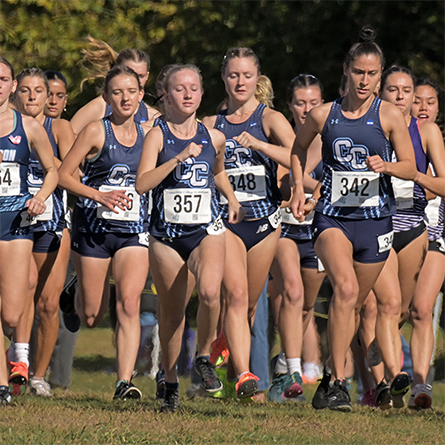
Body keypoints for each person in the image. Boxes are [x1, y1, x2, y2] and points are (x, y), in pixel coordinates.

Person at [289, 26, 417, 412]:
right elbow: (297, 150)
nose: (364, 80)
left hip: (377, 223)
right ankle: (340, 382)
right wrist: (298, 187)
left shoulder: (390, 115)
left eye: (372, 74)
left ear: (380, 76)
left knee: (356, 306)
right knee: (344, 291)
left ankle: (329, 378)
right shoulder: (325, 114)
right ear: (346, 71)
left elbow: (411, 167)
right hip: (333, 219)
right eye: (358, 72)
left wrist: (389, 166)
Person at [136, 64, 244, 412]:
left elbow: (218, 171)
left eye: (194, 88)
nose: (187, 94)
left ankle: (202, 357)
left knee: (212, 292)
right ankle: (169, 381)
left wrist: (231, 197)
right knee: (172, 315)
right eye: (179, 89)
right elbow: (142, 184)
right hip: (166, 235)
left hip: (206, 228)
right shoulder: (157, 136)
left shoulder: (214, 137)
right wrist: (178, 159)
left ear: (201, 93)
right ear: (165, 96)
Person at [202, 47, 295, 400]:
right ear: (223, 78)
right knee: (236, 296)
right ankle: (243, 375)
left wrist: (260, 145)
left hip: (265, 222)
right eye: (233, 75)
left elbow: (301, 156)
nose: (240, 82)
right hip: (227, 222)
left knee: (249, 305)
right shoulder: (211, 124)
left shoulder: (270, 119)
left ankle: (225, 356)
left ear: (257, 79)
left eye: (246, 75)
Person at [59, 65, 152, 400]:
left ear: (141, 95)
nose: (125, 98)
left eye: (131, 91)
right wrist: (99, 195)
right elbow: (65, 176)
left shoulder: (150, 131)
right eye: (117, 92)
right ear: (107, 98)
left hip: (134, 231)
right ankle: (75, 291)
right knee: (91, 315)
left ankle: (123, 382)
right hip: (94, 229)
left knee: (129, 302)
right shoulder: (96, 132)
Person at [7, 68, 75, 397]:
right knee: (21, 291)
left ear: (49, 97)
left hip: (51, 219)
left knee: (48, 303)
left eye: (39, 91)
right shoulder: (8, 126)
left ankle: (39, 374)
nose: (32, 97)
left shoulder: (58, 127)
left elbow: (70, 171)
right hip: (15, 219)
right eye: (25, 90)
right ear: (14, 93)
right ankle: (18, 359)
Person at [379, 73, 444, 409]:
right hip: (376, 227)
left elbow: (442, 185)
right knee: (387, 308)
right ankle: (389, 381)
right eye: (402, 93)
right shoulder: (371, 125)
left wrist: (412, 173)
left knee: (414, 309)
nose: (416, 104)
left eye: (423, 99)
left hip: (426, 232)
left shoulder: (428, 134)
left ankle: (421, 385)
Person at [0, 57, 58, 403]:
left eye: (3, 78)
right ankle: (2, 385)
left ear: (11, 85)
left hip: (16, 223)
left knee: (10, 311)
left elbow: (53, 171)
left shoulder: (28, 127)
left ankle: (14, 356)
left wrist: (39, 198)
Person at [268, 74, 326, 402]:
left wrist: (315, 189)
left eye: (313, 103)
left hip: (319, 231)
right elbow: (282, 182)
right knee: (290, 291)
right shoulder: (285, 141)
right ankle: (293, 371)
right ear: (290, 106)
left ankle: (280, 362)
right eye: (300, 103)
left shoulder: (333, 137)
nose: (307, 110)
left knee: (304, 307)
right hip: (286, 229)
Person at [70, 37, 159, 135]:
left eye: (140, 76)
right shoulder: (101, 106)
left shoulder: (153, 117)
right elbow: (67, 136)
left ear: (147, 76)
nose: (135, 80)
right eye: (130, 73)